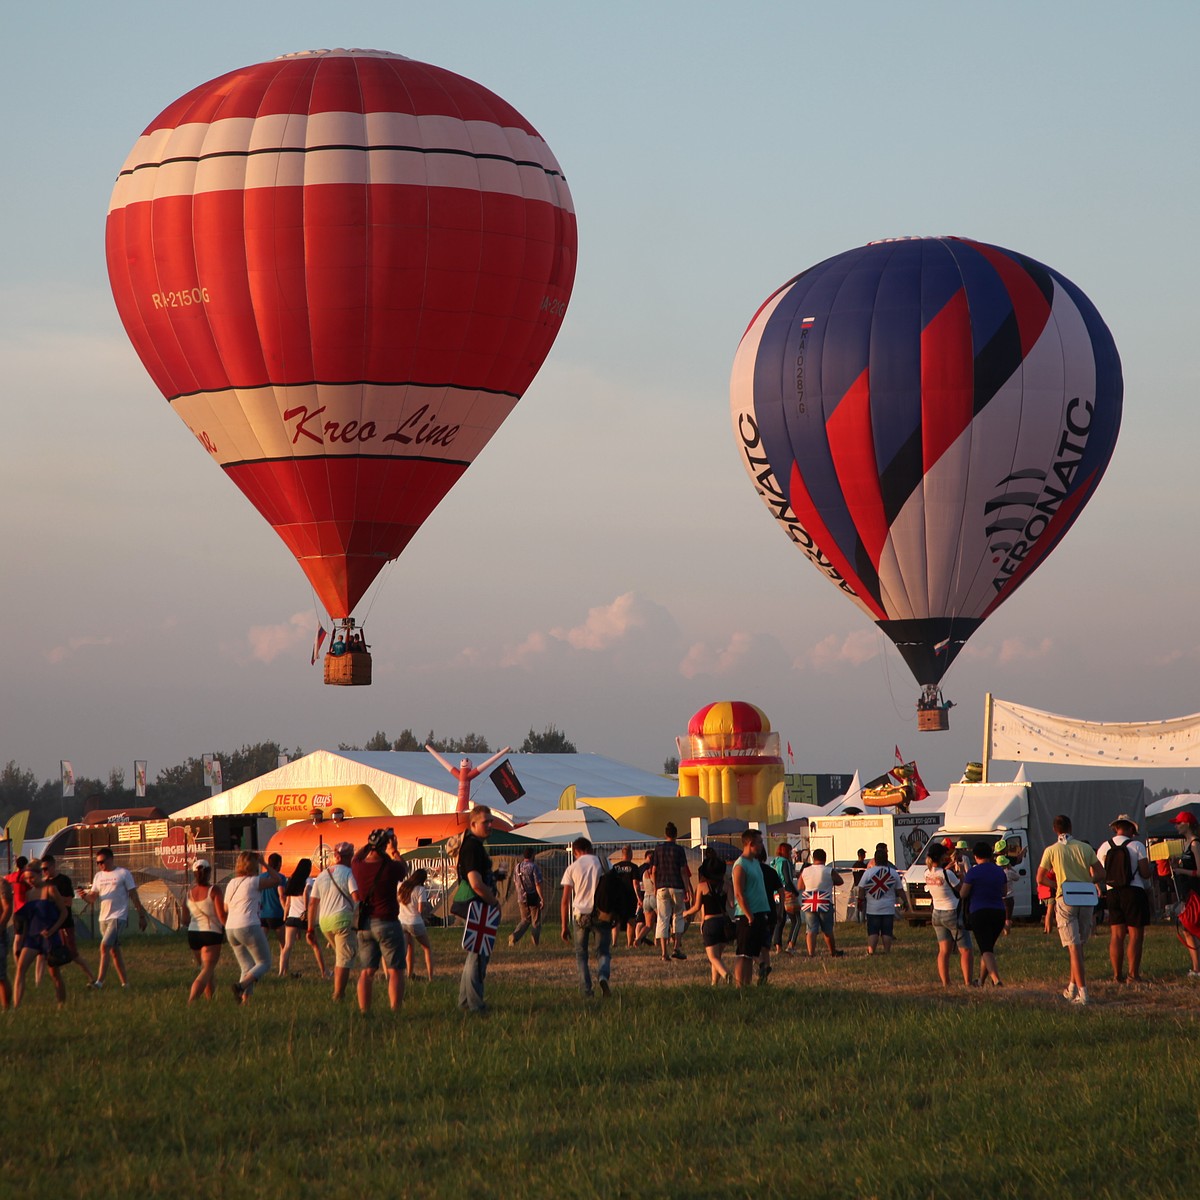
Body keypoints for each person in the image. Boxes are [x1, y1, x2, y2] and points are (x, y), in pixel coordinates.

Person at [1036, 815, 1103, 1005]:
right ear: (1071, 827)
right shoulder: (1085, 847)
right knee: (1079, 945)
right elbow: (1100, 872)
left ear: (1054, 829)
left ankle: (1083, 993)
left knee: (1073, 948)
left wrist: (1057, 884)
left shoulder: (1051, 850)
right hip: (1086, 898)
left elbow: (1040, 878)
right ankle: (1072, 987)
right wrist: (1088, 883)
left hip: (1065, 897)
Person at [352, 829, 408, 1013]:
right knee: (395, 970)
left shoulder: (358, 866)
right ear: (385, 845)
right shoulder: (391, 868)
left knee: (367, 971)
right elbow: (404, 869)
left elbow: (356, 858)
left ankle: (364, 1011)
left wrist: (369, 844)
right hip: (387, 922)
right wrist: (394, 850)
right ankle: (395, 1009)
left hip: (365, 924)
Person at [456, 805, 503, 1014]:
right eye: (486, 822)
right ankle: (475, 1005)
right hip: (477, 904)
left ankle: (466, 1002)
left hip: (476, 903)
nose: (490, 825)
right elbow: (475, 882)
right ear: (473, 824)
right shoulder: (473, 847)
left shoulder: (474, 845)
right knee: (478, 954)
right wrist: (493, 902)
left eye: (491, 821)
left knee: (474, 954)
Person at [223, 850, 286, 1004]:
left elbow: (225, 908)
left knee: (247, 966)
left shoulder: (231, 883)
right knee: (264, 963)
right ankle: (241, 986)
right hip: (249, 925)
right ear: (254, 866)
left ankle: (245, 1000)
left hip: (230, 928)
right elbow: (277, 879)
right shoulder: (253, 881)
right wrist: (264, 864)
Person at [1096, 814, 1152, 984]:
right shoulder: (1137, 846)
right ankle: (1133, 975)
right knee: (1135, 935)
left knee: (1116, 935)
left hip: (1113, 892)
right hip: (1134, 891)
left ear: (1115, 828)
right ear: (1129, 828)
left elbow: (1100, 872)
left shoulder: (1104, 846)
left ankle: (1116, 975)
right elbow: (1144, 873)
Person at [83, 846, 148, 989]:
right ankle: (125, 983)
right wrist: (84, 896)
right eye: (98, 863)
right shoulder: (98, 876)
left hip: (118, 917)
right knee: (114, 951)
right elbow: (92, 898)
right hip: (103, 918)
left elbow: (133, 895)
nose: (100, 865)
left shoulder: (123, 873)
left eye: (102, 862)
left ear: (111, 859)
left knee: (104, 946)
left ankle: (99, 982)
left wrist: (141, 915)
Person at [309, 841, 361, 1002]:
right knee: (344, 960)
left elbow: (313, 903)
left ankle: (338, 992)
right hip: (343, 920)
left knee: (341, 957)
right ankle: (338, 995)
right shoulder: (348, 873)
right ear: (349, 857)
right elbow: (356, 897)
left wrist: (310, 928)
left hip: (325, 923)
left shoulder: (322, 875)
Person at [560, 836, 613, 998]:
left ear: (576, 851)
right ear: (590, 848)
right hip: (601, 912)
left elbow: (565, 900)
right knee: (603, 951)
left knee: (581, 954)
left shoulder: (573, 867)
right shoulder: (603, 863)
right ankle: (603, 975)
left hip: (580, 914)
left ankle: (586, 990)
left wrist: (564, 926)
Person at [13, 859, 69, 1009]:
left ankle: (61, 1005)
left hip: (50, 937)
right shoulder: (29, 894)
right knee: (20, 968)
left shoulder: (50, 890)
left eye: (32, 877)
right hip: (33, 937)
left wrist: (53, 929)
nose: (29, 881)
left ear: (40, 874)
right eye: (26, 878)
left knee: (54, 974)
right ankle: (16, 1007)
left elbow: (63, 913)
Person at [39, 854, 97, 988]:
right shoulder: (44, 883)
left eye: (46, 868)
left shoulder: (63, 881)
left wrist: (54, 899)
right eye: (42, 869)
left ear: (53, 866)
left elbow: (68, 902)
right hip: (51, 925)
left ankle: (92, 978)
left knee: (72, 954)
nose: (44, 872)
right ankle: (50, 982)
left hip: (64, 924)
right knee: (51, 956)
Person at [923, 842, 973, 987]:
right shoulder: (947, 873)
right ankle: (968, 982)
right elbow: (961, 889)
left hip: (937, 913)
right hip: (952, 911)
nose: (947, 856)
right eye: (945, 854)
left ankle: (946, 982)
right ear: (941, 857)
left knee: (944, 951)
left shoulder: (927, 873)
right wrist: (962, 875)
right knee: (965, 949)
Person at [961, 842, 1008, 986]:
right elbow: (1004, 892)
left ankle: (996, 980)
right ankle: (981, 981)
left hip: (979, 912)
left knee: (985, 948)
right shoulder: (999, 871)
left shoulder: (973, 872)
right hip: (998, 912)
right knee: (987, 948)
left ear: (975, 856)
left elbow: (963, 893)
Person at [683, 847, 731, 984]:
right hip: (723, 922)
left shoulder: (702, 886)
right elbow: (732, 904)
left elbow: (697, 907)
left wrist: (685, 913)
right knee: (718, 956)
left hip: (710, 923)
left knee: (713, 957)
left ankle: (726, 974)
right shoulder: (727, 885)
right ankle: (714, 983)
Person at [731, 829, 772, 989]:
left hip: (760, 913)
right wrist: (749, 916)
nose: (762, 845)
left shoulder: (755, 863)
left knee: (753, 952)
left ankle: (749, 984)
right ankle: (740, 986)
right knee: (743, 954)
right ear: (750, 843)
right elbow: (739, 893)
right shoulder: (740, 865)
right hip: (747, 915)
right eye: (760, 842)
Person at [184, 858, 227, 1003]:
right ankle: (192, 1000)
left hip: (193, 933)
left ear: (194, 874)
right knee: (207, 970)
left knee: (206, 970)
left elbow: (184, 920)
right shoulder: (214, 890)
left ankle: (210, 1000)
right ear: (209, 873)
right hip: (211, 933)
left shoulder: (189, 893)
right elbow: (221, 915)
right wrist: (227, 929)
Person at [278, 859, 327, 979]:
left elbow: (288, 902)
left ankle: (281, 972)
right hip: (304, 917)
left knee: (287, 946)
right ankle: (324, 971)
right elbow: (306, 892)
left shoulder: (291, 881)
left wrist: (285, 917)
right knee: (315, 944)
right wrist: (306, 909)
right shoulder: (308, 880)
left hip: (292, 917)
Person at [652, 822, 693, 961]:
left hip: (662, 886)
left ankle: (664, 952)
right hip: (676, 886)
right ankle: (676, 947)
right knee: (678, 915)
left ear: (665, 834)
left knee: (662, 917)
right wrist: (687, 888)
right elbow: (683, 870)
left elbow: (654, 870)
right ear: (676, 835)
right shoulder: (679, 850)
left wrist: (655, 886)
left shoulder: (658, 849)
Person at [1169, 810, 1200, 977]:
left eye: (1179, 823)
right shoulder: (1186, 844)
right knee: (1187, 928)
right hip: (1187, 891)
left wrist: (1180, 869)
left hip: (1195, 892)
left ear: (1187, 824)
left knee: (1192, 926)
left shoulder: (1195, 844)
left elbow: (1199, 871)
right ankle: (1196, 968)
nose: (1176, 826)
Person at [799, 848, 844, 959]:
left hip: (809, 901)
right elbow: (840, 881)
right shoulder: (829, 870)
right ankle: (833, 952)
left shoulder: (805, 870)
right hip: (824, 901)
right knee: (827, 929)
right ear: (825, 858)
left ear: (813, 858)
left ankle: (811, 954)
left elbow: (800, 886)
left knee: (811, 930)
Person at [858, 849, 905, 955]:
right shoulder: (893, 873)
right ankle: (887, 951)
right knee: (887, 931)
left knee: (873, 931)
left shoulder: (868, 872)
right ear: (887, 859)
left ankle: (871, 952)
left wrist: (860, 901)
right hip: (888, 908)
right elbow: (900, 890)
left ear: (875, 860)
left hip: (872, 909)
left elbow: (861, 889)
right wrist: (905, 902)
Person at [399, 869, 434, 980]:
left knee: (407, 948)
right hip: (415, 922)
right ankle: (430, 977)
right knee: (427, 948)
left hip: (402, 922)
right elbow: (420, 909)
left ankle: (404, 975)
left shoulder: (402, 886)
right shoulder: (420, 889)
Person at [609, 845, 644, 948]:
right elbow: (635, 884)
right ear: (630, 854)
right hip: (630, 896)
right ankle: (629, 943)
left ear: (622, 854)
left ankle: (614, 943)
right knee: (631, 920)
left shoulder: (615, 867)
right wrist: (639, 898)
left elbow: (611, 882)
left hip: (617, 897)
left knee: (617, 920)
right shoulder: (633, 867)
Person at [509, 848, 545, 946]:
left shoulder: (517, 867)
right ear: (532, 855)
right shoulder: (534, 867)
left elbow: (516, 882)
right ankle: (535, 943)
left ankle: (514, 936)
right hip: (533, 897)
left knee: (525, 920)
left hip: (521, 898)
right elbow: (538, 883)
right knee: (535, 922)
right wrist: (541, 898)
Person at [770, 842, 801, 954]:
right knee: (796, 920)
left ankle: (778, 946)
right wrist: (795, 892)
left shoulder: (774, 862)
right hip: (786, 893)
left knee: (780, 920)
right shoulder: (785, 862)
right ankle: (791, 944)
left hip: (775, 893)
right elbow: (787, 880)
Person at [259, 852, 286, 947]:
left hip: (263, 914)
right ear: (279, 863)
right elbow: (281, 895)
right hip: (276, 913)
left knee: (261, 943)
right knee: (283, 944)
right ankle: (283, 961)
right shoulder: (280, 878)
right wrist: (286, 911)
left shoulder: (261, 877)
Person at [636, 851, 657, 947]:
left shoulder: (643, 872)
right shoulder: (653, 871)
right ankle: (659, 942)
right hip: (653, 897)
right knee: (661, 921)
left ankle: (638, 938)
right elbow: (654, 882)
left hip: (646, 898)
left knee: (648, 925)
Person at [0, 871, 11, 1009]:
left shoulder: (2, 884)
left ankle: (6, 1008)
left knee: (0, 976)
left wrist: (0, 927)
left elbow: (8, 908)